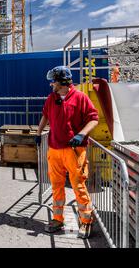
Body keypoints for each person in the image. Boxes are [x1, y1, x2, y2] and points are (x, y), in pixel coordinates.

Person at [35, 66, 99, 239]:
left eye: (53, 82)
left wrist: (81, 134)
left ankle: (86, 222)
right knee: (56, 185)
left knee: (78, 186)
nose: (51, 85)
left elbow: (94, 119)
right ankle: (57, 219)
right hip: (54, 150)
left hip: (74, 150)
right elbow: (45, 116)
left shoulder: (80, 98)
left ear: (62, 82)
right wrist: (39, 133)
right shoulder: (51, 98)